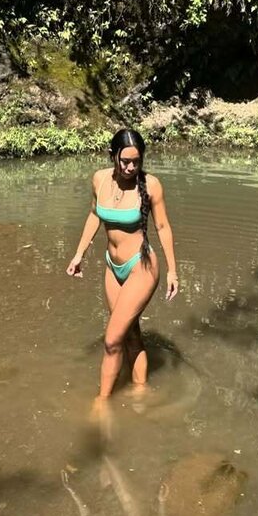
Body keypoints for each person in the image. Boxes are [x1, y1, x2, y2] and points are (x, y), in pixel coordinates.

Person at [66, 128, 178, 416]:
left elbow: (162, 227)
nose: (130, 167)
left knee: (112, 339)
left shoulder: (151, 185)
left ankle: (102, 403)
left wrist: (173, 272)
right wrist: (79, 254)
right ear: (112, 155)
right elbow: (94, 214)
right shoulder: (100, 179)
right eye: (125, 161)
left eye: (136, 162)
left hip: (141, 266)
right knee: (129, 334)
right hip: (112, 267)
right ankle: (140, 389)